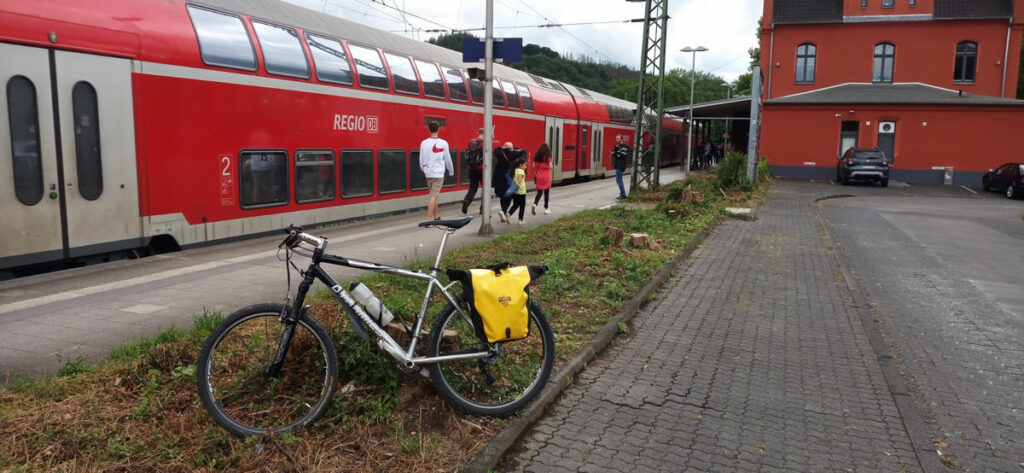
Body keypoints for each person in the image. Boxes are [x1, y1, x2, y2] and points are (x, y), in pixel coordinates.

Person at [418, 121, 453, 220]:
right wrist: (451, 171)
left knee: (434, 195)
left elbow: (421, 158)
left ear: (429, 129)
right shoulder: (443, 143)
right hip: (438, 174)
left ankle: (436, 216)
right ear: (438, 129)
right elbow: (448, 159)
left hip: (428, 173)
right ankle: (428, 220)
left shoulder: (424, 143)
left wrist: (424, 169)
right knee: (433, 196)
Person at [461, 128, 484, 214]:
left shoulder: (472, 142)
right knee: (485, 189)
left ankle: (466, 201)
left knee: (473, 187)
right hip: (482, 169)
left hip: (472, 169)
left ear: (478, 132)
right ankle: (483, 208)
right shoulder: (484, 142)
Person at [491, 142, 516, 222]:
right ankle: (503, 211)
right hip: (507, 178)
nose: (513, 149)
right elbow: (519, 150)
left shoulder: (498, 153)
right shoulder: (511, 155)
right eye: (511, 148)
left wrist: (504, 147)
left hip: (498, 178)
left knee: (502, 196)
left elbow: (497, 149)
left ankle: (503, 211)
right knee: (509, 196)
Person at [505, 157, 528, 225]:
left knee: (515, 205)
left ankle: (509, 213)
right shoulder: (521, 171)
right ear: (521, 165)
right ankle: (520, 220)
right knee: (522, 206)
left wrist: (513, 188)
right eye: (525, 165)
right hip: (521, 191)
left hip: (515, 192)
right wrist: (516, 185)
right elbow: (519, 179)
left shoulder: (515, 170)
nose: (526, 166)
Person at [531, 142, 552, 215]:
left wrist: (539, 166)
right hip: (546, 175)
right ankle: (546, 208)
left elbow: (533, 166)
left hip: (539, 175)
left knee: (539, 192)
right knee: (546, 192)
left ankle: (535, 204)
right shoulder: (548, 157)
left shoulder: (536, 157)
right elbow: (550, 167)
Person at [611, 135, 631, 200]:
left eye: (618, 138)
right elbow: (614, 154)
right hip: (618, 165)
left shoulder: (624, 146)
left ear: (621, 139)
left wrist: (616, 152)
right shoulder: (618, 146)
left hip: (621, 165)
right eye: (616, 138)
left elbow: (622, 155)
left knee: (619, 181)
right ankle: (622, 194)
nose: (616, 140)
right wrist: (615, 152)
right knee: (618, 180)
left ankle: (623, 195)